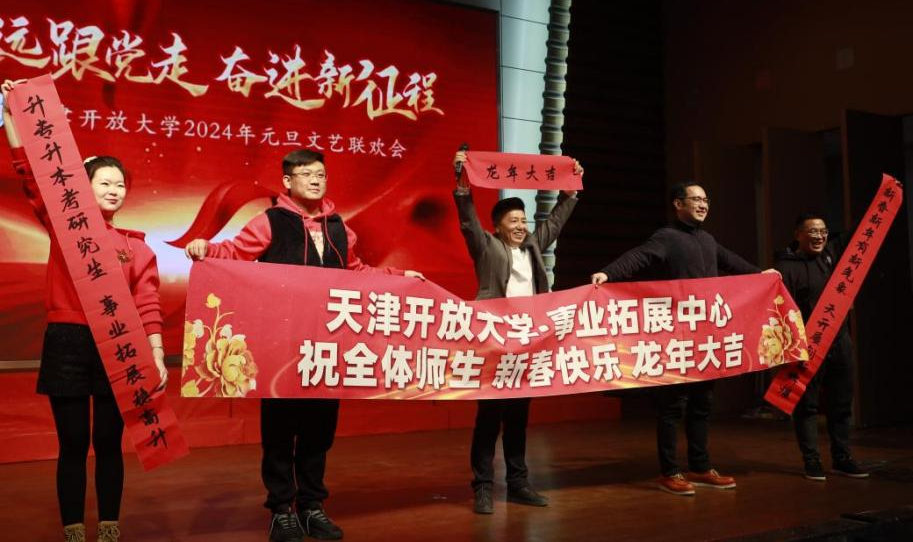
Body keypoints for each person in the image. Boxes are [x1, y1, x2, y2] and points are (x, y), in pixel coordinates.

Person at [185, 148, 423, 542]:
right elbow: (233, 254)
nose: (315, 180)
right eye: (307, 174)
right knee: (279, 431)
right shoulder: (269, 222)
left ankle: (312, 507)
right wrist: (205, 248)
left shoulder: (340, 229)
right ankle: (281, 510)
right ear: (288, 181)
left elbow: (358, 273)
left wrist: (401, 277)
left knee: (319, 432)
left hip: (326, 348)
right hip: (281, 346)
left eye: (321, 174)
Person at [2, 79, 167, 542]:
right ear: (84, 187)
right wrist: (11, 116)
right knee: (73, 442)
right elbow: (29, 173)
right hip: (69, 341)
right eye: (105, 183)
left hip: (120, 345)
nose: (115, 190)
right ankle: (74, 528)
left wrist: (156, 353)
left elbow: (148, 302)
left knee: (109, 442)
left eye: (120, 185)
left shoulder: (137, 247)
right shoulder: (66, 227)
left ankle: (109, 526)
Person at [591, 181, 777, 496]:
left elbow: (731, 261)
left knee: (703, 404)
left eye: (706, 199)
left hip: (705, 337)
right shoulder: (667, 237)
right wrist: (609, 273)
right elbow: (638, 257)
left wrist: (762, 276)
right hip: (676, 338)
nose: (703, 205)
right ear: (678, 204)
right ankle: (669, 472)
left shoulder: (707, 239)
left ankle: (700, 467)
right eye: (696, 199)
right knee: (673, 406)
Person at [452, 149, 582, 514]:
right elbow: (468, 222)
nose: (521, 225)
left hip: (527, 345)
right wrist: (462, 184)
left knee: (518, 419)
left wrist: (570, 192)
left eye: (523, 220)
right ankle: (482, 487)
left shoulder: (533, 246)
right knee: (489, 418)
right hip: (495, 344)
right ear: (498, 226)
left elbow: (554, 224)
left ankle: (519, 483)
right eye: (513, 220)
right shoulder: (487, 246)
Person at [774, 214, 869, 481]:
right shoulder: (785, 267)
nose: (819, 236)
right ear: (798, 235)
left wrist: (887, 197)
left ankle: (842, 458)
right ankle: (812, 460)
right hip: (808, 346)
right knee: (807, 406)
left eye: (823, 231)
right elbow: (780, 311)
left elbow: (860, 232)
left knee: (841, 403)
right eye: (813, 231)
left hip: (840, 342)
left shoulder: (830, 254)